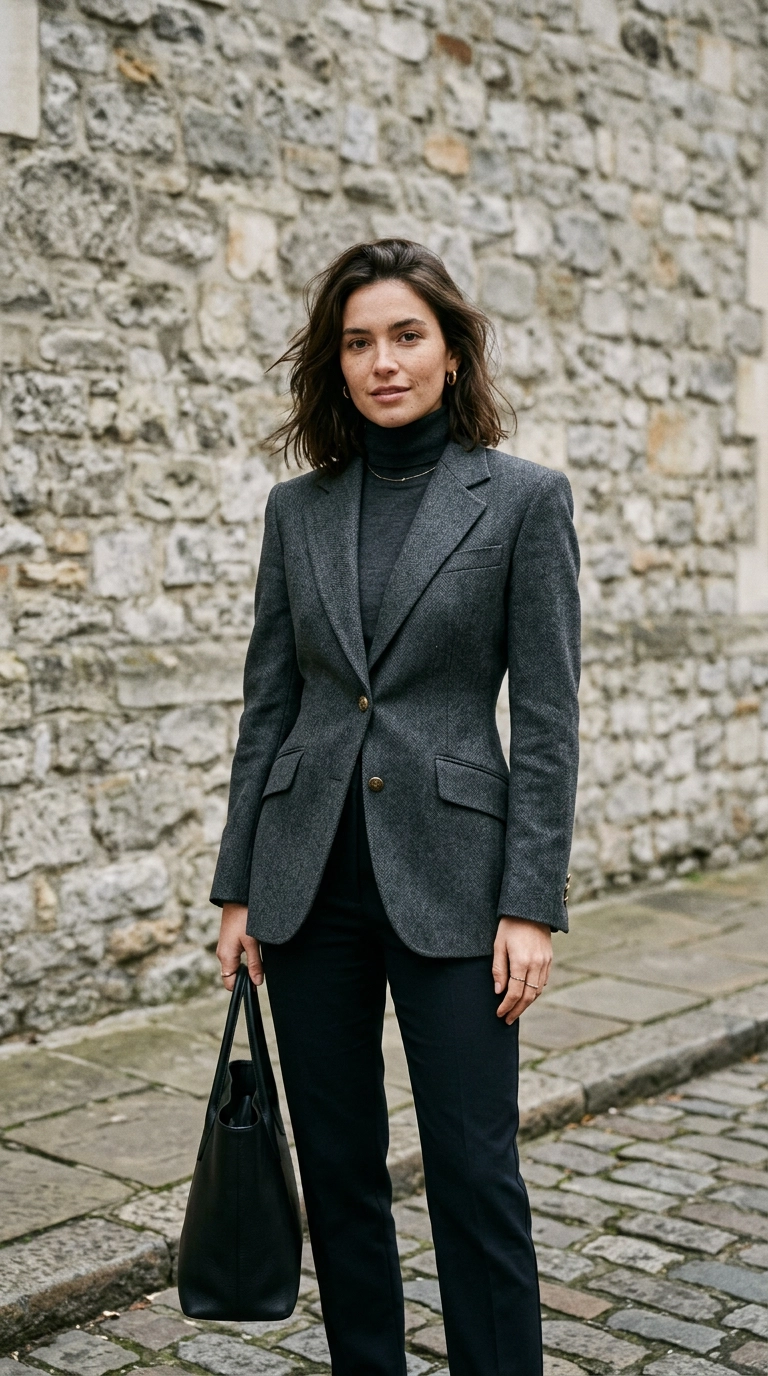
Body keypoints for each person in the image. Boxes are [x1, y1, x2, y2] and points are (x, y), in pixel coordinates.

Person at [211, 238, 580, 1376]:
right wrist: (236, 884)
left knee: (475, 1168)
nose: (384, 361)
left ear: (453, 351)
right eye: (360, 340)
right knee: (339, 1168)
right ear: (338, 360)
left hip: (460, 884)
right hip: (306, 879)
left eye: (406, 335)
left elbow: (552, 719)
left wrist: (533, 901)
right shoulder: (298, 511)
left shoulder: (522, 500)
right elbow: (267, 707)